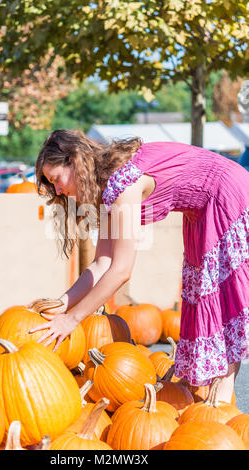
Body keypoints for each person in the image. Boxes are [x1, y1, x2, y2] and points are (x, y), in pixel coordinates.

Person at [29, 128, 249, 404]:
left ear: (74, 161)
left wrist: (72, 320)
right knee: (204, 291)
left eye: (56, 179)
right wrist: (63, 303)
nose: (58, 190)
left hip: (228, 195)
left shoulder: (124, 186)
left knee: (218, 296)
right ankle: (215, 404)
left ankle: (221, 406)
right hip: (202, 209)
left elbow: (121, 270)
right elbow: (101, 263)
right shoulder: (107, 189)